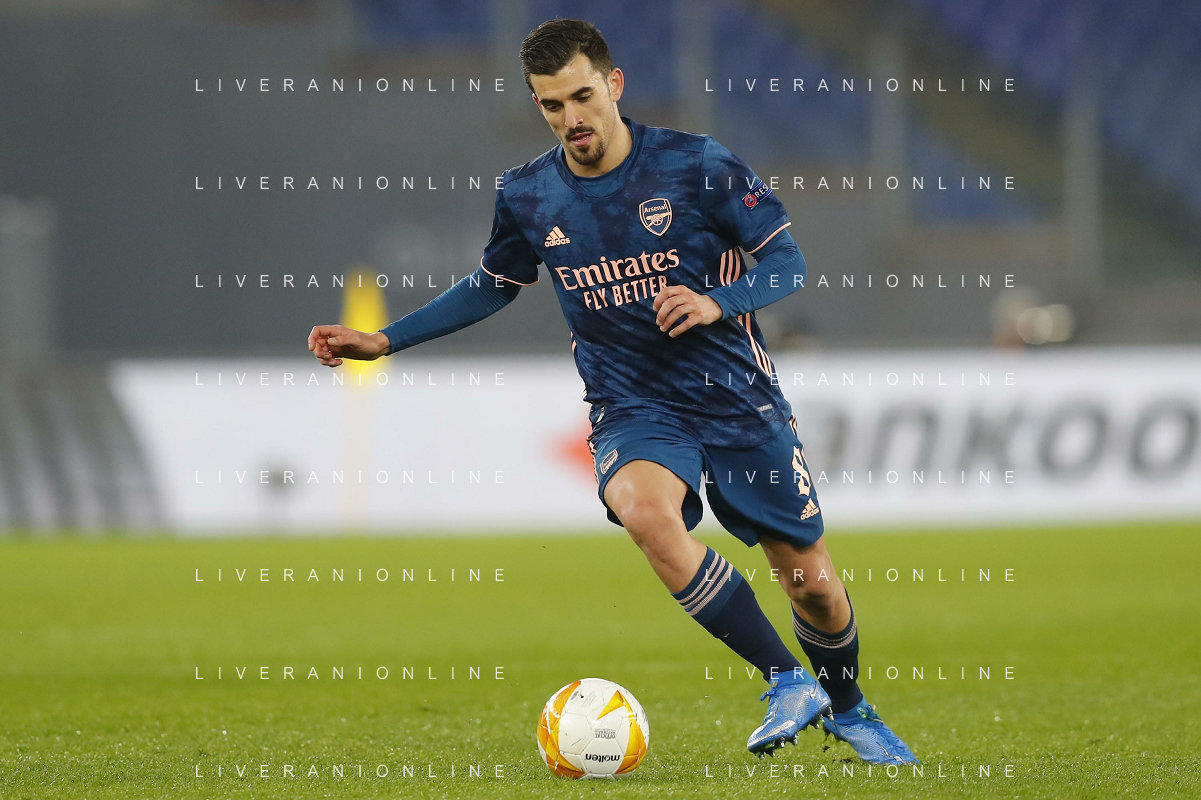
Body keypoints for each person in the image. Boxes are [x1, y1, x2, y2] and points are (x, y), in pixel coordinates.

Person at [307, 18, 915, 764]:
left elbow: (788, 263)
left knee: (811, 585)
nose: (571, 117)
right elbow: (492, 284)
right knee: (644, 513)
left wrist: (715, 303)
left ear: (614, 84)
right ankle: (787, 678)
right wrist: (384, 340)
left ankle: (850, 709)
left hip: (736, 397)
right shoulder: (528, 194)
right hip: (634, 406)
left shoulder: (697, 165)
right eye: (551, 104)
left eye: (582, 96)